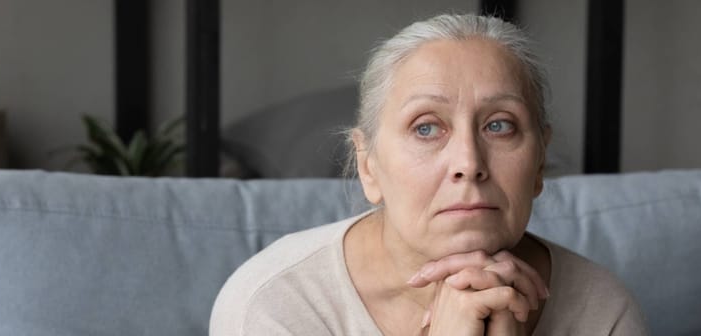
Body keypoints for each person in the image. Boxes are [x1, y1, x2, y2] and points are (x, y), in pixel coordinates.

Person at [210, 13, 648, 335]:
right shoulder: (276, 304)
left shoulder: (601, 311)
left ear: (538, 163)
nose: (469, 162)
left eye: (499, 125)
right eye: (426, 128)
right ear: (368, 165)